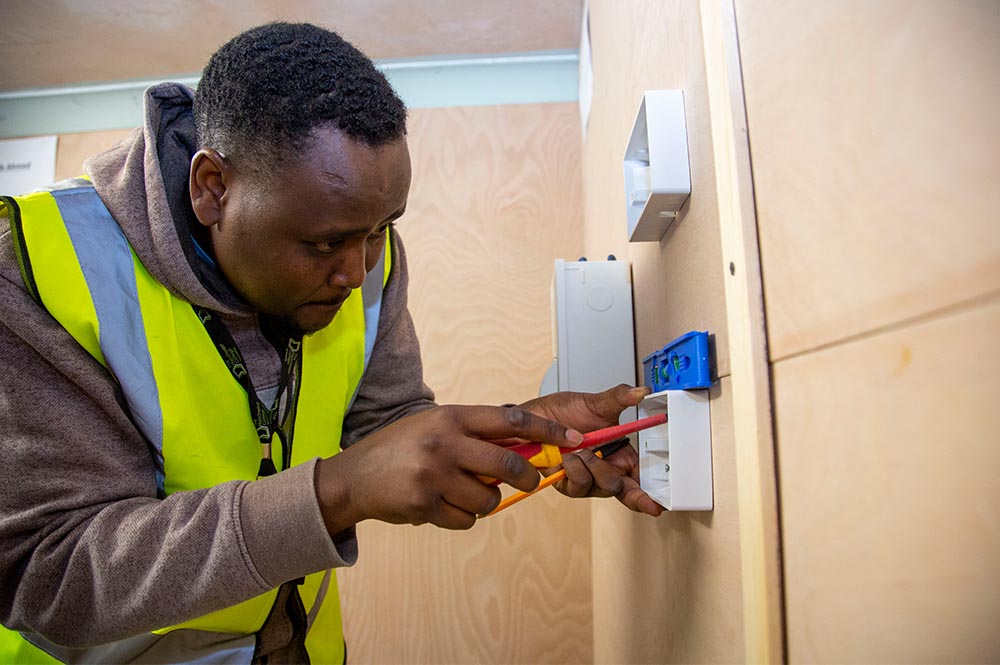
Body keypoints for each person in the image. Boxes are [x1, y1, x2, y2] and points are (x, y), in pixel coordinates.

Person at [0, 22, 662, 664]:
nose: (356, 271)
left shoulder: (366, 248)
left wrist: (527, 439)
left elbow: (390, 426)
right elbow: (45, 570)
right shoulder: (37, 268)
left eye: (381, 230)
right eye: (323, 244)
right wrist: (334, 493)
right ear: (213, 189)